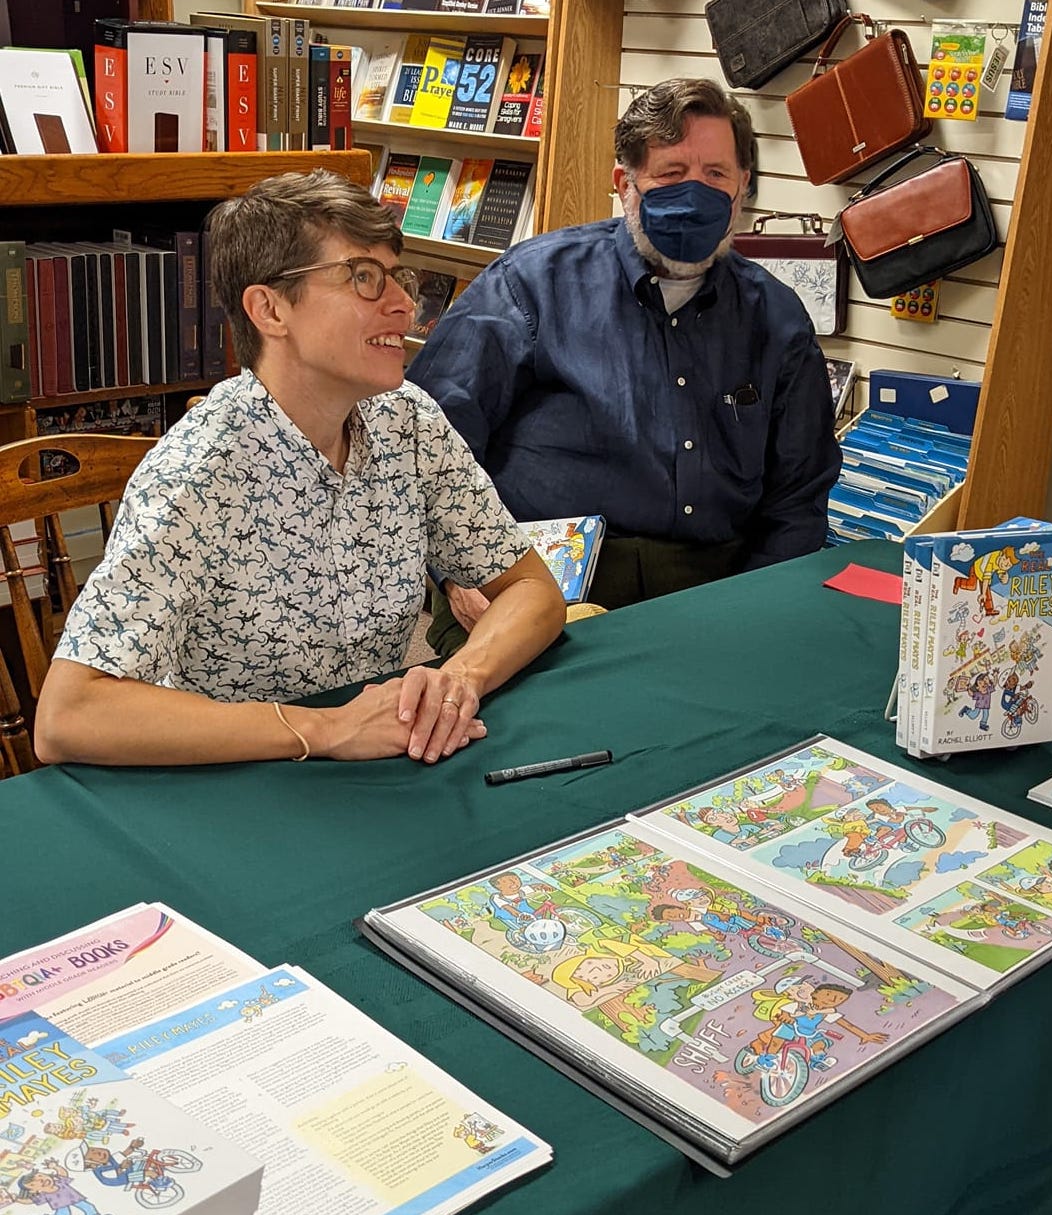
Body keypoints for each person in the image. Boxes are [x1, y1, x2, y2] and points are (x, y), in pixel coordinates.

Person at [34, 170, 565, 768]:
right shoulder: (198, 474)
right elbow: (67, 715)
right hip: (236, 785)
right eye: (362, 277)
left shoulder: (407, 420)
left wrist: (459, 679)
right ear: (269, 310)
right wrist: (327, 729)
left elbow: (532, 590)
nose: (403, 304)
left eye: (399, 277)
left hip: (385, 764)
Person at [407, 77, 842, 656]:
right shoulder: (531, 284)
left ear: (743, 186)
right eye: (671, 172)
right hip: (534, 584)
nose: (694, 193)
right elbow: (425, 438)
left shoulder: (778, 320)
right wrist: (457, 571)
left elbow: (798, 497)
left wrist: (753, 614)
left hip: (714, 592)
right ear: (625, 184)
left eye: (715, 174)